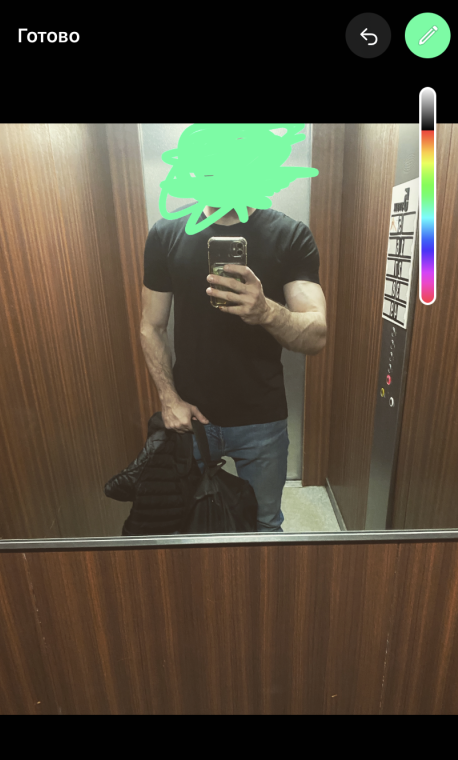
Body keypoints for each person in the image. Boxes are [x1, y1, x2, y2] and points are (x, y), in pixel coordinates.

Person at [140, 202, 327, 532]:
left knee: (265, 525)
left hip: (262, 419)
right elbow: (151, 326)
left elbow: (316, 335)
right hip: (190, 418)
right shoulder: (167, 233)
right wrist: (168, 399)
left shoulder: (289, 234)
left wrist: (266, 311)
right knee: (183, 526)